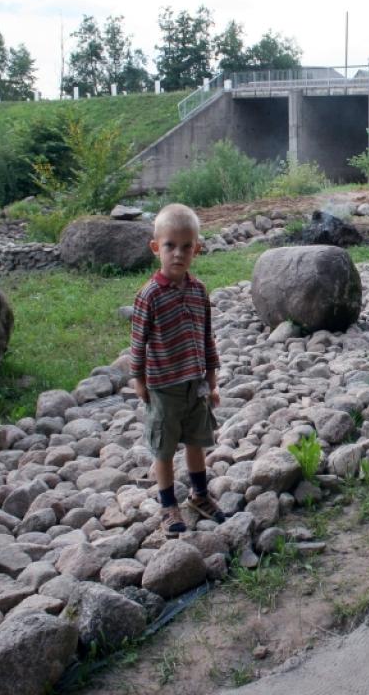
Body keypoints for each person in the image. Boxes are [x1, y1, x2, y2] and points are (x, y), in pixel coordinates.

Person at [130, 203, 226, 536]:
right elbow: (138, 341)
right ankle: (168, 504)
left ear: (196, 249)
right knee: (165, 449)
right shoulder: (150, 295)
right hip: (164, 388)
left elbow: (206, 338)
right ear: (156, 247)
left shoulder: (199, 292)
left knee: (197, 441)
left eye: (187, 247)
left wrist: (212, 380)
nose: (178, 254)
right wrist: (138, 379)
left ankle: (200, 495)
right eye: (170, 246)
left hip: (194, 385)